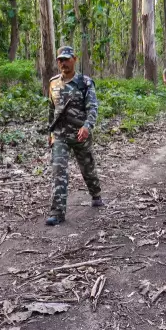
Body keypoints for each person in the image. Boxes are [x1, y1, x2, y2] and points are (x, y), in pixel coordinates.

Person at [46, 46, 103, 226]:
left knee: (88, 169)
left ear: (74, 59)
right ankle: (57, 212)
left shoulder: (85, 83)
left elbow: (93, 107)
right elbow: (51, 109)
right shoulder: (53, 83)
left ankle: (95, 193)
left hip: (80, 135)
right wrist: (50, 132)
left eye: (66, 59)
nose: (63, 63)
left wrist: (87, 126)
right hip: (60, 135)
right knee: (59, 171)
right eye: (60, 60)